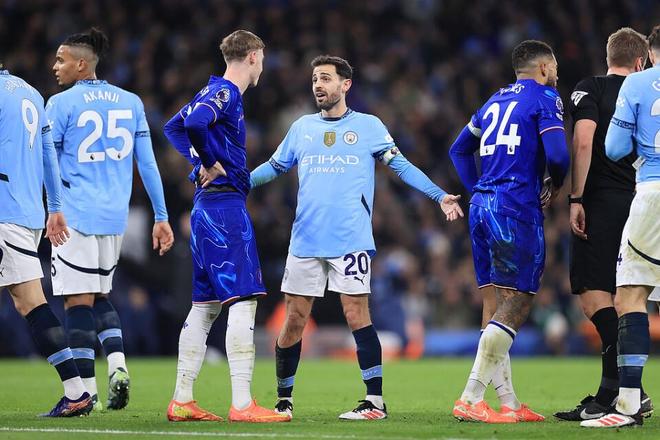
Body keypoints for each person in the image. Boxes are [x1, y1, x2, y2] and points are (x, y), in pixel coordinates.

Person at [249, 55, 463, 421]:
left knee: (356, 314)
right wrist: (239, 183)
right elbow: (274, 166)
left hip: (350, 239)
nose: (318, 85)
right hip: (305, 240)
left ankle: (374, 401)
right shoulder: (301, 128)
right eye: (315, 79)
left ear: (345, 84)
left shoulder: (368, 126)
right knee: (295, 318)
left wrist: (439, 195)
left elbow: (401, 165)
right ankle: (284, 400)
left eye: (326, 79)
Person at [163, 30, 290, 423]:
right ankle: (242, 403)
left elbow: (173, 127)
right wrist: (208, 161)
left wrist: (199, 160)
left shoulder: (209, 90)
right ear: (253, 56)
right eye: (262, 58)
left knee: (205, 308)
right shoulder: (226, 93)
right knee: (244, 300)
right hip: (225, 209)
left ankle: (182, 399)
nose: (263, 65)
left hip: (204, 210)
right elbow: (195, 124)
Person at [46, 28, 174, 411]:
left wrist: (52, 208)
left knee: (76, 302)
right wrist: (161, 215)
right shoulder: (131, 102)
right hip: (115, 218)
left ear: (81, 64)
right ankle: (117, 365)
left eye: (61, 60)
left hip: (75, 215)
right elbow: (147, 164)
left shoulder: (60, 104)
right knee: (101, 296)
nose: (55, 66)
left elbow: (48, 162)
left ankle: (85, 394)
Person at [449, 40, 569, 423]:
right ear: (544, 67)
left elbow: (458, 150)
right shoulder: (545, 98)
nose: (556, 73)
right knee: (519, 301)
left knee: (496, 304)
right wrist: (555, 182)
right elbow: (559, 155)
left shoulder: (493, 101)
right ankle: (471, 397)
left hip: (482, 206)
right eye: (554, 66)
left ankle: (510, 403)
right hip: (515, 207)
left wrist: (479, 189)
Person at [554, 27, 653, 422]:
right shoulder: (648, 91)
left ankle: (624, 391)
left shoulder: (590, 88)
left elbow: (583, 140)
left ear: (608, 56)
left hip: (604, 202)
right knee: (630, 295)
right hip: (642, 200)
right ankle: (616, 391)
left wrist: (576, 198)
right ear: (641, 61)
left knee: (595, 297)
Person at [0, 61, 92, 416]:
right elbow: (48, 155)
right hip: (27, 213)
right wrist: (54, 207)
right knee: (29, 303)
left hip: (5, 211)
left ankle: (76, 391)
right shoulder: (31, 94)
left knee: (31, 303)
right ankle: (76, 391)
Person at [582, 24, 660, 429]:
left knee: (630, 294)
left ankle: (628, 403)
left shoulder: (637, 83)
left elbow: (613, 148)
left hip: (652, 192)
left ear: (648, 55)